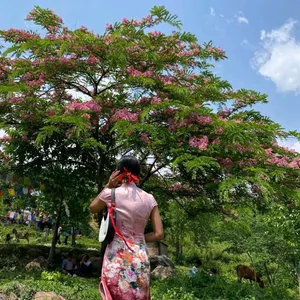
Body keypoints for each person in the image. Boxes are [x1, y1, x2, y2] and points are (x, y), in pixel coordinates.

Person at [90, 155, 163, 300]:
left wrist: (109, 185)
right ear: (137, 173)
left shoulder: (110, 194)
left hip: (116, 257)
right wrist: (139, 238)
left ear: (117, 172)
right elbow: (159, 233)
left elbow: (93, 208)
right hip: (140, 259)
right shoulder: (149, 199)